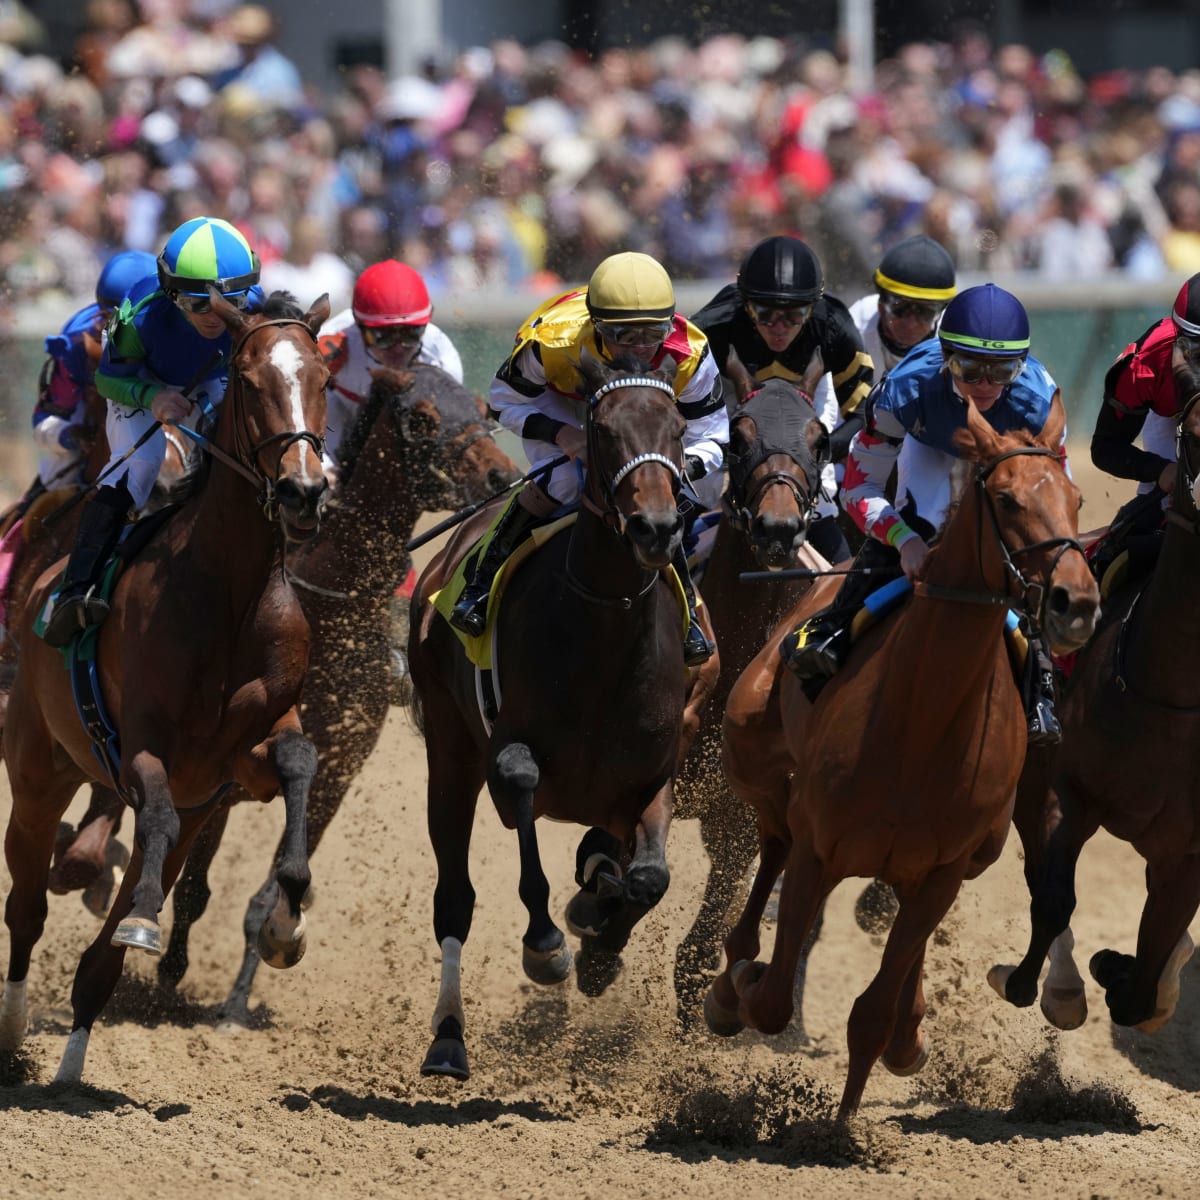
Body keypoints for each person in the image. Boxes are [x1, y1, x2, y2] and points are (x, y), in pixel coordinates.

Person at [786, 283, 1067, 745]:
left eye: (1001, 372)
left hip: (1011, 462)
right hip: (930, 446)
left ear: (1022, 365)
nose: (983, 385)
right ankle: (831, 630)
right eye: (969, 368)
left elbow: (1050, 499)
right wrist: (905, 542)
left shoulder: (1038, 402)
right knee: (925, 521)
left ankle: (1042, 688)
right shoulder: (904, 389)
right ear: (944, 356)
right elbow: (860, 487)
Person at [450, 251, 728, 666]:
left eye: (652, 332)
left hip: (646, 412)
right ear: (596, 326)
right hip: (563, 400)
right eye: (623, 334)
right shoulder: (553, 342)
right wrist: (562, 434)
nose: (639, 346)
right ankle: (482, 581)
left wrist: (674, 469)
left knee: (666, 497)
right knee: (564, 480)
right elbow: (504, 400)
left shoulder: (690, 352)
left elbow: (713, 432)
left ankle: (685, 606)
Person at [42, 216, 264, 647]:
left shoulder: (256, 304)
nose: (214, 316)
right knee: (139, 466)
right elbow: (107, 380)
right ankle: (76, 588)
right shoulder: (138, 314)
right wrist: (152, 398)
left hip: (210, 378)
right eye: (197, 303)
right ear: (169, 290)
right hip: (140, 384)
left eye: (226, 301)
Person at [690, 234, 874, 563]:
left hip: (807, 412)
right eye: (765, 313)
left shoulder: (834, 328)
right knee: (686, 502)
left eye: (794, 314)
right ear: (745, 305)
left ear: (813, 307)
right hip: (730, 412)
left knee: (830, 530)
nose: (779, 327)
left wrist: (816, 455)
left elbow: (862, 414)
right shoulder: (712, 329)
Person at [1088, 272, 1200, 577]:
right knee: (1130, 541)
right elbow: (1105, 448)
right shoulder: (1144, 365)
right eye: (1195, 353)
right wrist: (1161, 471)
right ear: (1177, 342)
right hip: (1168, 418)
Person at [319, 259, 464, 472]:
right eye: (382, 336)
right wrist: (326, 468)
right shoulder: (329, 345)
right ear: (359, 327)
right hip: (340, 417)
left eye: (410, 334)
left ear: (425, 326)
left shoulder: (441, 359)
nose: (397, 348)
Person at [31, 249, 157, 493]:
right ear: (105, 317)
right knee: (56, 475)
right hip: (85, 425)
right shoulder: (75, 348)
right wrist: (71, 436)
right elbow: (42, 425)